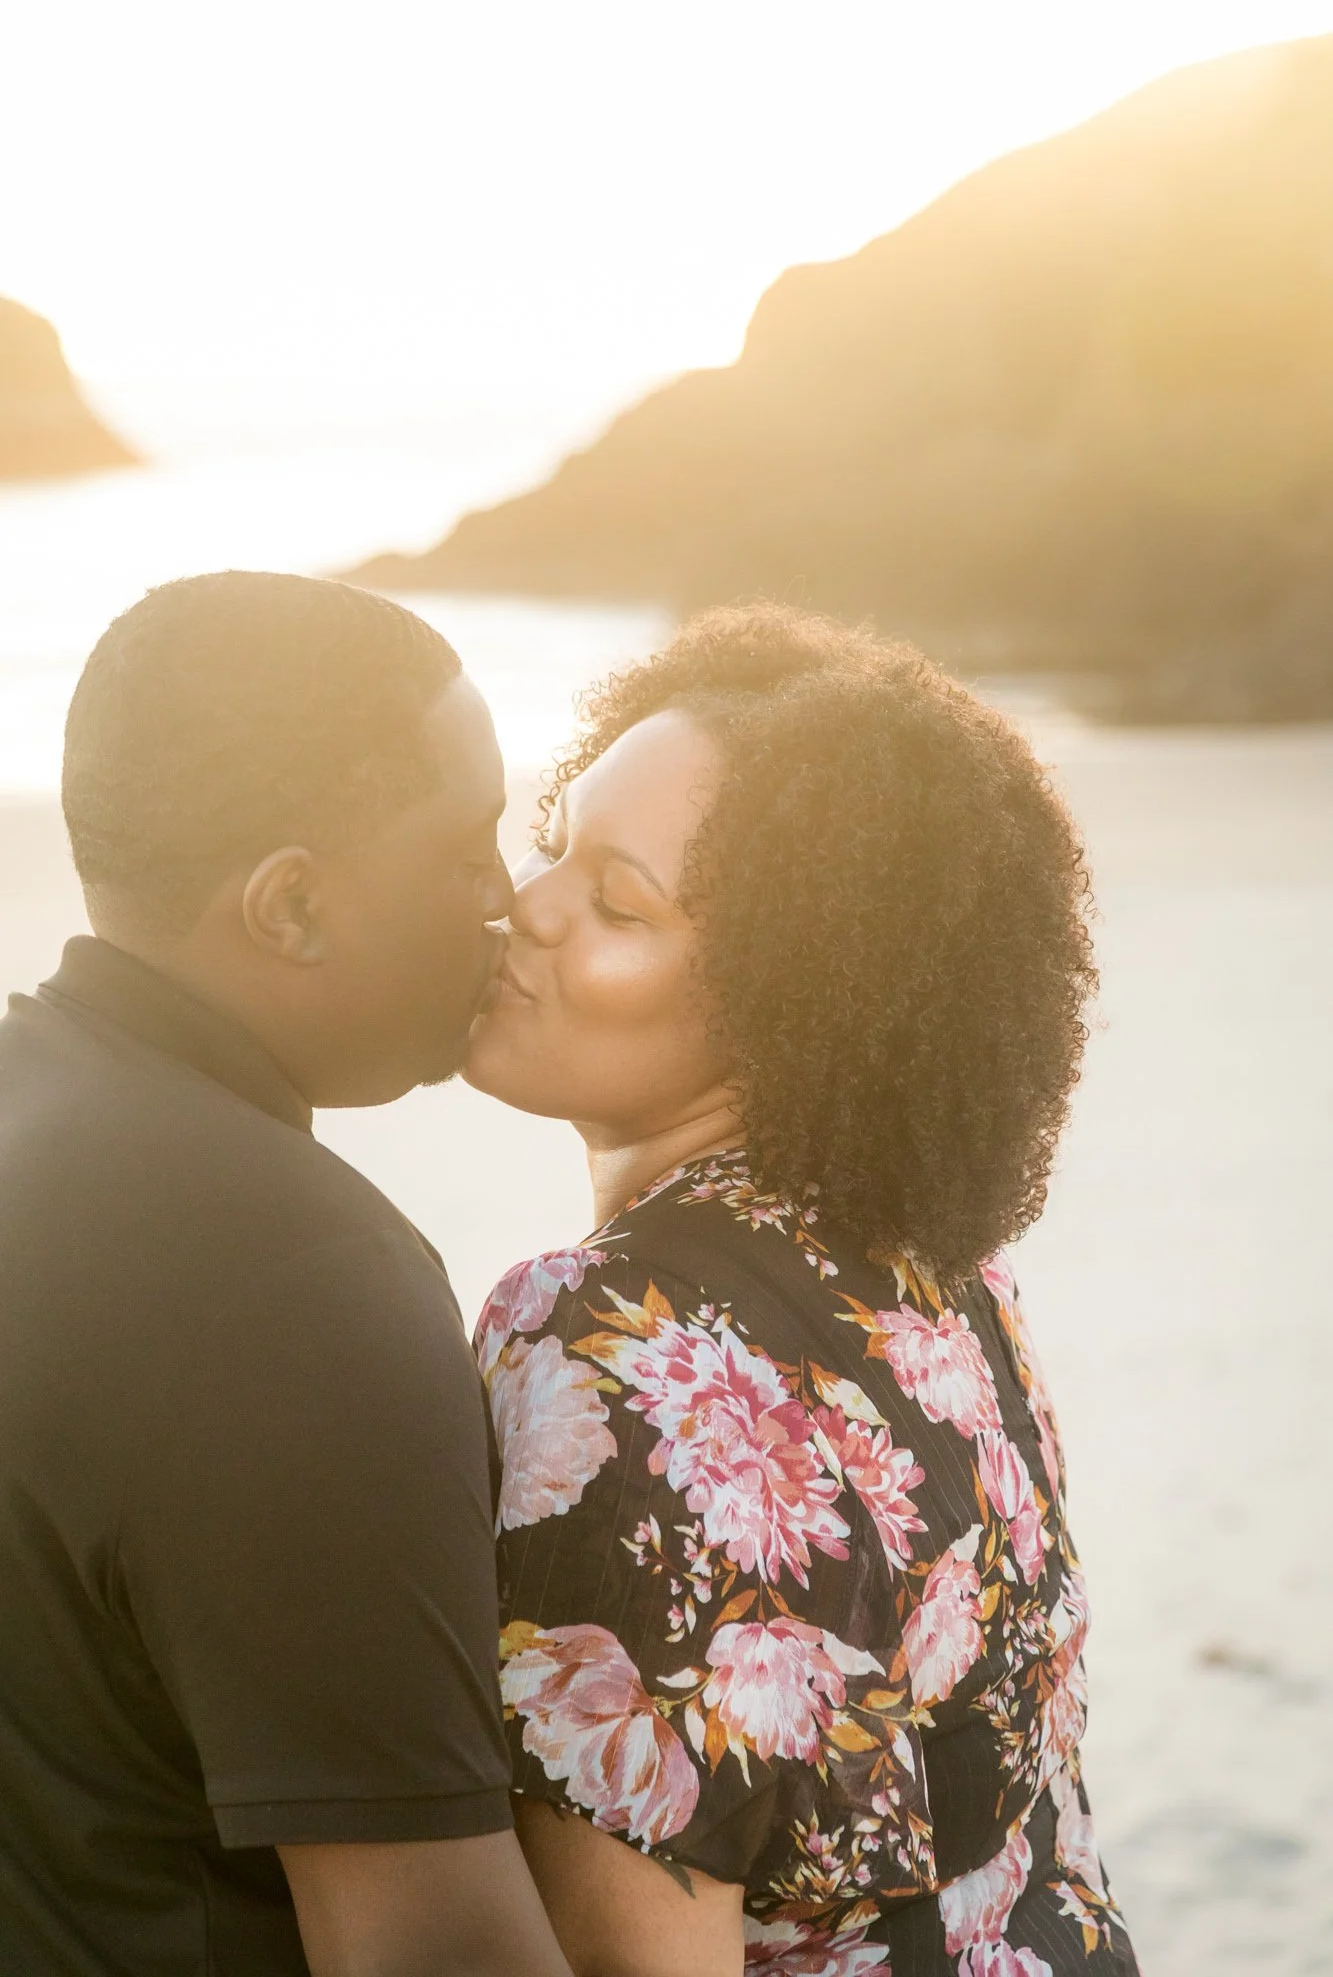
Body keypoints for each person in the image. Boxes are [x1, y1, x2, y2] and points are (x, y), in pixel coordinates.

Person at [466, 605, 1141, 1976]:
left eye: (618, 903)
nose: (523, 908)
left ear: (789, 999)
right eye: (553, 849)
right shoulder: (947, 1285)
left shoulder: (606, 1342)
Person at [0, 572, 573, 1977]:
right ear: (295, 906)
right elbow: (437, 1957)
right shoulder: (296, 1287)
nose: (510, 900)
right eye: (468, 844)